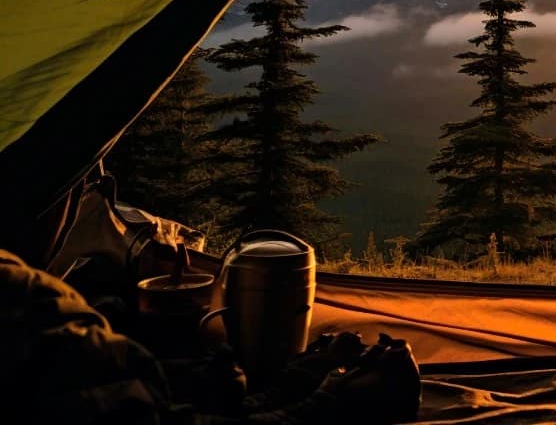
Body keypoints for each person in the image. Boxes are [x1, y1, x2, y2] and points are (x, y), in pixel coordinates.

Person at [0, 170, 422, 423]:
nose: (101, 193)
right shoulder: (26, 301)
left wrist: (294, 381)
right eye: (85, 182)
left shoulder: (32, 304)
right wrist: (330, 407)